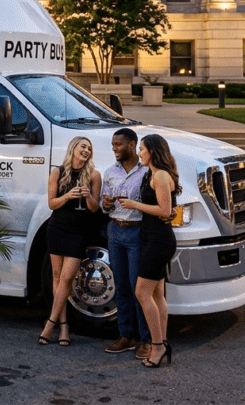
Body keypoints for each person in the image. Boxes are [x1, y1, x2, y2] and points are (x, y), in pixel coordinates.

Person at [119, 134, 180, 368]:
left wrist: (134, 204)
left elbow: (165, 210)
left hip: (159, 241)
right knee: (156, 295)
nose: (139, 153)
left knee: (142, 293)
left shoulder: (161, 175)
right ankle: (162, 341)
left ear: (153, 151)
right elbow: (170, 209)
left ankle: (157, 346)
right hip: (151, 238)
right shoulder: (151, 174)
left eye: (142, 149)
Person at [39, 136, 101, 347]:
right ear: (73, 148)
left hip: (78, 232)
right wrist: (68, 196)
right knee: (56, 276)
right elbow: (51, 203)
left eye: (89, 148)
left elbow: (94, 208)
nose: (86, 150)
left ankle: (50, 323)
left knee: (66, 279)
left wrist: (87, 196)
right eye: (83, 146)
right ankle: (64, 326)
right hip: (57, 228)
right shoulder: (58, 172)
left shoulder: (94, 175)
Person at [100, 128, 151, 358]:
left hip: (137, 233)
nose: (114, 149)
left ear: (132, 145)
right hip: (115, 231)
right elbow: (104, 206)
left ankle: (146, 340)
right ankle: (126, 336)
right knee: (120, 286)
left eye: (118, 144)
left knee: (137, 288)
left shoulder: (147, 172)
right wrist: (107, 203)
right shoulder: (110, 173)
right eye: (113, 145)